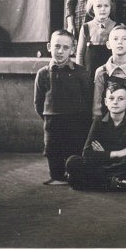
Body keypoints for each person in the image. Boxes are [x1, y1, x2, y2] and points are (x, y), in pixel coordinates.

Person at [65, 83, 126, 192]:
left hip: (121, 166)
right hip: (106, 165)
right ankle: (117, 183)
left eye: (120, 99)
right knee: (72, 161)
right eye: (111, 98)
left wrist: (103, 153)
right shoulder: (99, 121)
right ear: (106, 102)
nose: (115, 102)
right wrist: (117, 153)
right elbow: (87, 153)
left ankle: (102, 181)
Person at [34, 29, 92, 185]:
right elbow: (38, 103)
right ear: (48, 47)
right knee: (53, 151)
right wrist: (49, 116)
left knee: (74, 152)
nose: (60, 51)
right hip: (52, 122)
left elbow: (88, 98)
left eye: (65, 48)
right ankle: (57, 176)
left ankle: (72, 175)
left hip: (76, 121)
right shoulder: (43, 74)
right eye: (56, 46)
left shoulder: (81, 72)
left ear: (72, 50)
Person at [75, 0, 117, 84]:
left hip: (110, 77)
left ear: (111, 7)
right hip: (89, 77)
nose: (103, 9)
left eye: (106, 6)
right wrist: (80, 76)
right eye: (99, 6)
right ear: (92, 8)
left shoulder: (116, 27)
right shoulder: (86, 27)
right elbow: (80, 54)